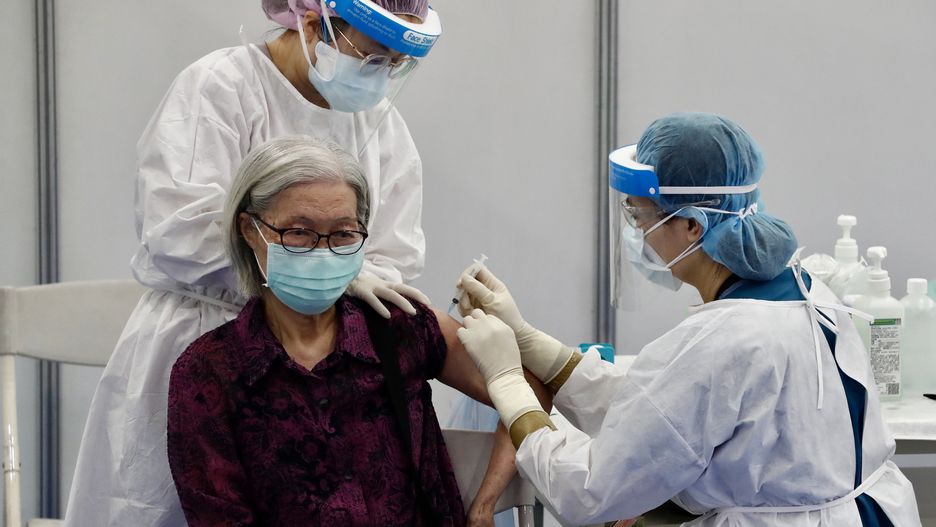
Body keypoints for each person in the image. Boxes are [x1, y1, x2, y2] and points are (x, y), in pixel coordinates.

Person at [63, 1, 471, 525]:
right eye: (371, 58)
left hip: (319, 365)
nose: (380, 78)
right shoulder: (222, 87)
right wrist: (301, 273)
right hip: (203, 330)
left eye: (394, 65)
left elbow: (392, 257)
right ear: (310, 23)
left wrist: (346, 280)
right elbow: (178, 227)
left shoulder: (382, 130)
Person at [454, 113, 922, 526]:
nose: (638, 231)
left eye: (641, 217)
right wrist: (532, 342)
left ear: (693, 226)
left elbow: (589, 489)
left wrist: (508, 383)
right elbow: (665, 409)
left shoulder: (726, 340)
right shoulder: (803, 289)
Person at [168, 135, 526, 526]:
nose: (322, 253)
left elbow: (526, 391)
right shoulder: (209, 372)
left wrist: (484, 506)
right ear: (250, 230)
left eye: (343, 234)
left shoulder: (398, 328)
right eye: (298, 232)